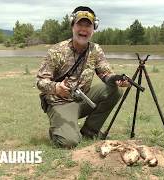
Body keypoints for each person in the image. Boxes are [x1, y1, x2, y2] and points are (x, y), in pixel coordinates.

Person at [36, 6, 130, 148]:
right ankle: (59, 132)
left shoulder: (95, 49)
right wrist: (56, 87)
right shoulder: (57, 51)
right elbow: (40, 81)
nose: (83, 30)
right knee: (69, 142)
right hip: (60, 102)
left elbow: (106, 73)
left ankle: (89, 131)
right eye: (80, 24)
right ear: (72, 26)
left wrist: (117, 79)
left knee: (114, 90)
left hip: (83, 99)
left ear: (93, 29)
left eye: (88, 26)